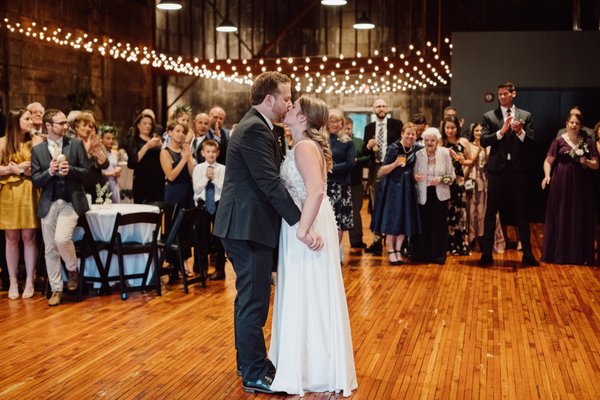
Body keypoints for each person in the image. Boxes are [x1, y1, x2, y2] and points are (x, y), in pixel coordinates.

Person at [213, 71, 322, 395]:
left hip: (247, 226)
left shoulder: (258, 127)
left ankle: (248, 361)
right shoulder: (253, 130)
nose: (288, 103)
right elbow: (270, 185)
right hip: (246, 227)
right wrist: (301, 226)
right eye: (286, 97)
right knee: (254, 302)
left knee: (249, 299)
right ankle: (254, 373)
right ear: (269, 98)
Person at [269, 95, 357, 396]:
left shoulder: (305, 146)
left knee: (308, 290)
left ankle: (311, 368)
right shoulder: (303, 145)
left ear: (304, 118)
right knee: (308, 290)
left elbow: (317, 191)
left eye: (294, 107)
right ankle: (308, 362)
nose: (288, 108)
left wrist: (303, 230)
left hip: (307, 222)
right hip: (303, 219)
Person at [31, 109, 91, 306]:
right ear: (48, 126)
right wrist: (49, 171)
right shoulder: (38, 151)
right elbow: (36, 180)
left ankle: (72, 270)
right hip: (48, 203)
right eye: (61, 123)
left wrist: (70, 170)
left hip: (71, 201)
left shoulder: (75, 145)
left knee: (61, 239)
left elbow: (86, 172)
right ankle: (56, 289)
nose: (66, 126)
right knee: (49, 247)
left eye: (66, 122)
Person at [478, 82, 539, 267]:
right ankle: (486, 254)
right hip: (497, 170)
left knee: (522, 212)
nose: (502, 97)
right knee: (490, 213)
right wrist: (502, 131)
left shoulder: (525, 115)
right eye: (500, 94)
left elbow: (532, 141)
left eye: (506, 94)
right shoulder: (489, 116)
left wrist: (520, 131)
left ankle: (527, 254)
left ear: (514, 94)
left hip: (518, 170)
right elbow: (483, 140)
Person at [541, 113, 598, 264]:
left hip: (581, 184)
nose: (574, 125)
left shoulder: (588, 142)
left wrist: (586, 161)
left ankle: (578, 254)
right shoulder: (558, 141)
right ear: (566, 124)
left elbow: (596, 165)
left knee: (578, 215)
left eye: (577, 123)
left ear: (581, 126)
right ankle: (559, 253)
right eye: (571, 122)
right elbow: (548, 161)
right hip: (561, 182)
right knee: (560, 214)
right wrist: (547, 176)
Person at [0, 108, 42, 299]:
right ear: (15, 121)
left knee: (29, 237)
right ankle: (13, 281)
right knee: (11, 237)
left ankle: (31, 282)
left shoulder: (36, 142)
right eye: (27, 118)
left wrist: (24, 171)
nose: (31, 121)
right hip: (9, 193)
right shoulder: (2, 143)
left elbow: (41, 168)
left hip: (29, 191)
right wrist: (11, 168)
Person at [371, 122, 422, 265]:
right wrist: (394, 164)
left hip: (407, 188)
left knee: (405, 218)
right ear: (402, 134)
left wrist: (414, 176)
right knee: (392, 219)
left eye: (413, 134)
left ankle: (399, 250)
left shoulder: (416, 148)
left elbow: (432, 148)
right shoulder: (393, 148)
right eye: (408, 133)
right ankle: (391, 250)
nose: (410, 136)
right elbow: (382, 170)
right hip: (393, 188)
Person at [363, 98, 403, 255]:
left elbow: (401, 146)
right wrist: (368, 146)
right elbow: (366, 152)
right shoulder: (369, 128)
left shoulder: (396, 124)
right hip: (376, 168)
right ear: (373, 110)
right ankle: (377, 240)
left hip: (392, 168)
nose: (381, 108)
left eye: (383, 106)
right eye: (378, 106)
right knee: (375, 205)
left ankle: (394, 242)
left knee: (392, 204)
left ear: (387, 108)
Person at [412, 128, 455, 264]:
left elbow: (452, 177)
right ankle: (422, 255)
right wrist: (415, 177)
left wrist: (441, 179)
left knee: (439, 226)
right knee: (423, 226)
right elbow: (412, 174)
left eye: (432, 140)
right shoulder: (418, 154)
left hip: (440, 193)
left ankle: (438, 256)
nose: (429, 143)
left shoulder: (445, 153)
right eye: (427, 140)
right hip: (423, 194)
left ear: (437, 141)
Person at [464, 123, 505, 253]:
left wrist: (485, 151)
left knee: (486, 211)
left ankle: (489, 242)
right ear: (472, 132)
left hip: (486, 179)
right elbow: (468, 162)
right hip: (472, 180)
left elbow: (489, 163)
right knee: (473, 211)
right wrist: (478, 150)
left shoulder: (489, 146)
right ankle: (473, 240)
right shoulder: (468, 146)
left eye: (481, 130)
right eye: (476, 130)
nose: (478, 132)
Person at [192, 139, 226, 280]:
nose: (211, 155)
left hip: (218, 205)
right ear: (202, 153)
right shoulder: (198, 168)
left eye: (213, 152)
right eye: (208, 152)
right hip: (203, 206)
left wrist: (215, 178)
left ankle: (219, 270)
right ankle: (202, 269)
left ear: (217, 153)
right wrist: (206, 178)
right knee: (202, 238)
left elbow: (224, 188)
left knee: (219, 239)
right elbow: (197, 188)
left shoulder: (223, 169)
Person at [441, 116, 473, 256]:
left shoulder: (463, 142)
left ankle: (460, 244)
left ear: (457, 128)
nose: (450, 130)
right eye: (447, 128)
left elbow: (470, 161)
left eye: (453, 128)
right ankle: (448, 245)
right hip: (445, 181)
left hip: (459, 180)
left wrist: (462, 160)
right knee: (447, 213)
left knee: (460, 213)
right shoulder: (441, 142)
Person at [327, 109, 355, 252]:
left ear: (342, 123)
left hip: (340, 186)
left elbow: (350, 164)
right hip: (323, 185)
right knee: (324, 221)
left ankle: (336, 251)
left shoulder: (347, 142)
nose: (334, 124)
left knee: (338, 221)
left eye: (337, 121)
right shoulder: (321, 139)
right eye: (331, 120)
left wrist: (329, 168)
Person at [126, 111, 165, 204]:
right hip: (142, 182)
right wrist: (147, 146)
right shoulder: (134, 140)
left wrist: (162, 146)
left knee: (158, 209)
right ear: (138, 125)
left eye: (150, 124)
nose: (148, 126)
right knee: (143, 212)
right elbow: (132, 162)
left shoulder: (155, 139)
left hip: (158, 180)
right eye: (144, 123)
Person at [345, 117, 370, 249]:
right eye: (345, 128)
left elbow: (368, 157)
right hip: (341, 181)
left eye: (349, 128)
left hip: (356, 182)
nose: (348, 131)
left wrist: (356, 160)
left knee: (355, 211)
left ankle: (356, 240)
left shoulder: (359, 142)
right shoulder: (336, 142)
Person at [160, 121, 195, 210]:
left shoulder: (186, 150)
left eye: (183, 132)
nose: (181, 134)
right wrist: (184, 159)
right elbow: (171, 176)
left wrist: (189, 158)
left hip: (188, 190)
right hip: (174, 192)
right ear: (170, 133)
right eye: (178, 131)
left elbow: (192, 174)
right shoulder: (165, 152)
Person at [99, 125, 122, 203]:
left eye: (113, 138)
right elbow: (98, 171)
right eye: (108, 138)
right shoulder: (100, 153)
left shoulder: (115, 153)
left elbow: (116, 166)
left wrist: (118, 170)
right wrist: (111, 173)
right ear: (101, 139)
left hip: (114, 183)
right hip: (104, 182)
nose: (111, 141)